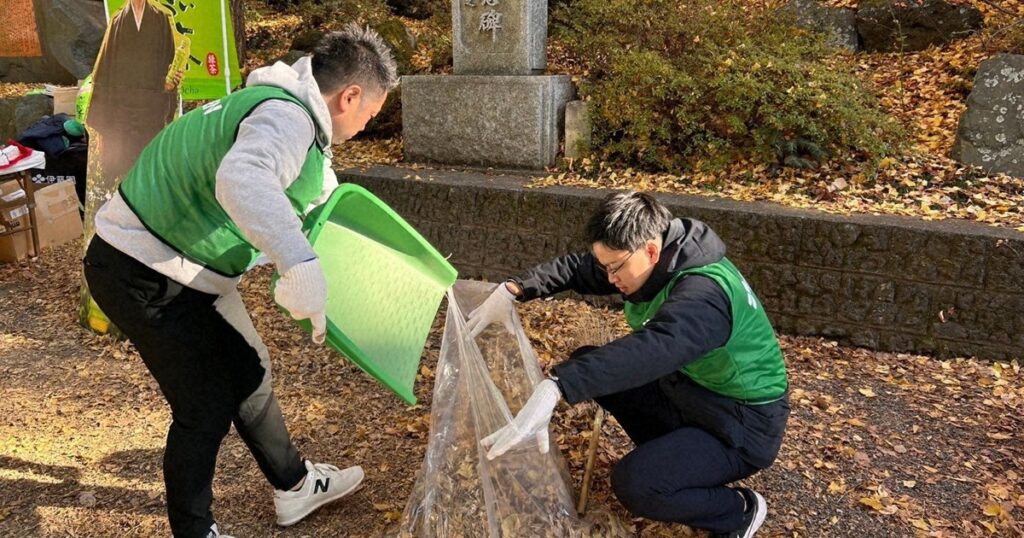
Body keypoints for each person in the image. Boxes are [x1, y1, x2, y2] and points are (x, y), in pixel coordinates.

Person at [82, 25, 398, 538]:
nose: (367, 125)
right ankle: (195, 531)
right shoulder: (287, 117)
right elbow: (243, 180)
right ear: (351, 96)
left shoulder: (290, 112)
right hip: (140, 267)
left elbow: (318, 197)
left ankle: (294, 488)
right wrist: (298, 262)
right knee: (203, 406)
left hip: (191, 270)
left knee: (251, 368)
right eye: (371, 113)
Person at [470, 191, 790, 538]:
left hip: (739, 425)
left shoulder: (704, 296)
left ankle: (737, 512)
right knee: (587, 361)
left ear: (650, 251)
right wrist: (515, 289)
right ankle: (675, 459)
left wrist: (558, 385)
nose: (609, 278)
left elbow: (654, 348)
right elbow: (579, 269)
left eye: (614, 267)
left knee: (636, 484)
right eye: (605, 266)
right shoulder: (657, 256)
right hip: (690, 392)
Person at [86, 0, 183, 182]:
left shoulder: (161, 19)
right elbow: (105, 73)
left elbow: (169, 66)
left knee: (149, 168)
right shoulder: (117, 22)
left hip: (150, 108)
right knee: (121, 169)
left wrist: (170, 83)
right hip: (122, 110)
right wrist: (104, 123)